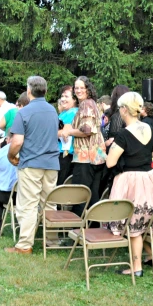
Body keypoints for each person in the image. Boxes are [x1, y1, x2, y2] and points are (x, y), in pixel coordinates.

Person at [105, 92, 153, 277]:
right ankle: (144, 259)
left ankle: (136, 267)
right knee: (140, 222)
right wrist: (143, 156)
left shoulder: (123, 134)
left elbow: (110, 162)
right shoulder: (150, 128)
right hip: (148, 177)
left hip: (129, 180)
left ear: (124, 110)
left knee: (131, 225)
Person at [5, 76, 59, 254]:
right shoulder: (53, 111)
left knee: (28, 204)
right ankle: (52, 240)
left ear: (29, 91)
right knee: (49, 202)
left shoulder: (24, 112)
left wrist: (11, 155)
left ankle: (25, 245)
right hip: (51, 163)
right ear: (45, 91)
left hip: (31, 163)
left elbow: (17, 141)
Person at [61, 76, 106, 214]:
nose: (78, 90)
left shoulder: (86, 104)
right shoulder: (92, 103)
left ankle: (77, 228)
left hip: (86, 157)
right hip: (96, 156)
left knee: (80, 194)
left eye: (82, 87)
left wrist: (69, 132)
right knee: (92, 195)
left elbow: (87, 130)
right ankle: (93, 227)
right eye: (76, 88)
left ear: (88, 89)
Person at [57, 85, 78, 185]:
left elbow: (65, 132)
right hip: (62, 154)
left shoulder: (72, 112)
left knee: (60, 185)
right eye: (62, 96)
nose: (63, 99)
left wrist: (49, 132)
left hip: (65, 155)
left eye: (66, 96)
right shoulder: (64, 113)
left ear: (74, 100)